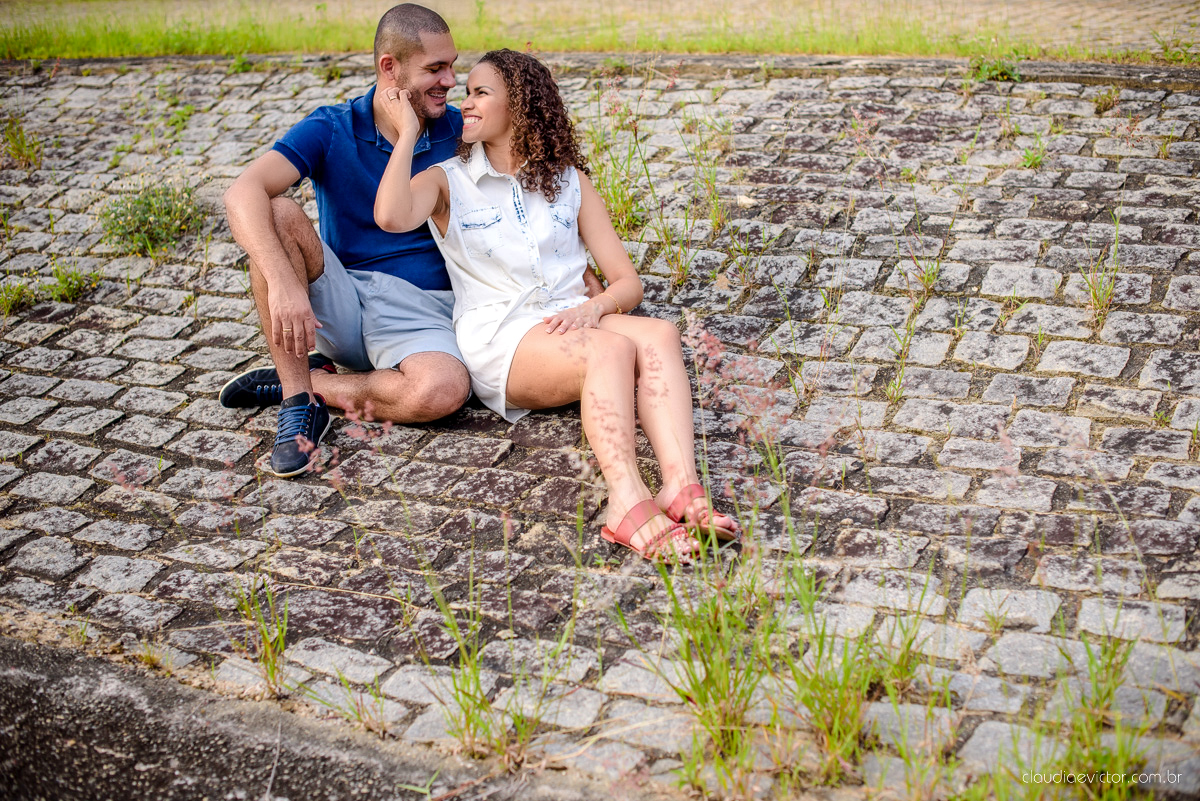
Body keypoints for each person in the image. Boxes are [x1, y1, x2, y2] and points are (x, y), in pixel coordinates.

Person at [374, 50, 741, 561]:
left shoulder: (568, 180)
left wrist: (597, 307)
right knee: (609, 350)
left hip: (572, 320)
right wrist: (407, 133)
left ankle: (680, 485)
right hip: (503, 337)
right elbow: (390, 216)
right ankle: (627, 502)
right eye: (467, 93)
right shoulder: (446, 180)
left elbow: (626, 282)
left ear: (519, 105)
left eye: (480, 93)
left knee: (659, 334)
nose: (465, 103)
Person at [218, 4, 472, 477]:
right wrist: (283, 282)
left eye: (452, 66)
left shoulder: (459, 129)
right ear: (390, 67)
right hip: (344, 303)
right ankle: (298, 402)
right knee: (277, 212)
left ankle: (310, 383)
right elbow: (241, 192)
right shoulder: (332, 127)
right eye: (435, 68)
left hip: (423, 316)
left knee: (441, 390)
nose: (451, 81)